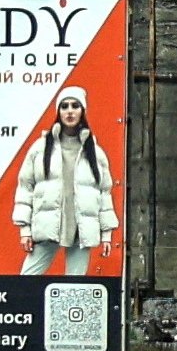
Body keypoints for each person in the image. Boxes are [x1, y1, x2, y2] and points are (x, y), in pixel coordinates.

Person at [14, 86, 118, 276]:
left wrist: (107, 235)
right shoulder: (40, 148)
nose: (70, 111)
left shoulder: (95, 152)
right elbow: (25, 188)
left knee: (74, 288)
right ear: (58, 111)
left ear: (82, 111)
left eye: (75, 106)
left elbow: (104, 194)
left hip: (81, 230)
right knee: (26, 282)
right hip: (47, 228)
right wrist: (25, 231)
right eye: (64, 106)